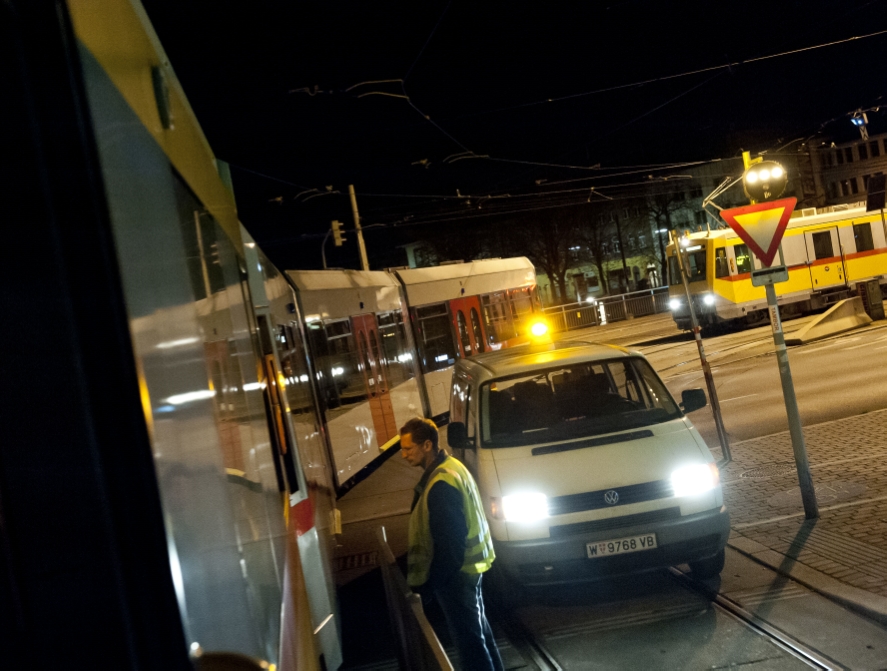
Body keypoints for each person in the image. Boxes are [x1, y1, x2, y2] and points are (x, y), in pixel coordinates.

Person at [400, 417, 504, 671]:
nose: (403, 455)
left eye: (408, 448)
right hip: (471, 568)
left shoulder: (441, 485)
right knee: (479, 636)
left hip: (456, 576)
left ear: (427, 445)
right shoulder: (452, 467)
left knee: (469, 644)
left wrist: (430, 586)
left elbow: (450, 547)